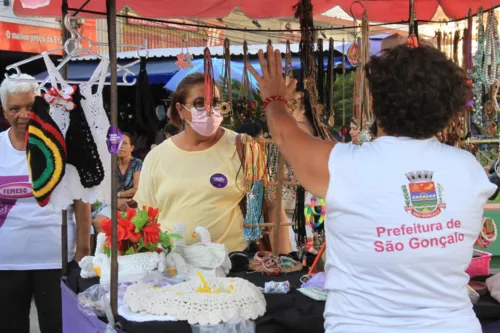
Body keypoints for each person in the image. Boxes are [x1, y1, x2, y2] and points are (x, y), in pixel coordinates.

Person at [249, 44, 495, 333]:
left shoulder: (342, 165)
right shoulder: (469, 168)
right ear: (449, 106)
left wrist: (274, 98)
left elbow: (283, 132)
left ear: (376, 101)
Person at [135, 72, 290, 253]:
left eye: (215, 102)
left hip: (232, 266)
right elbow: (145, 218)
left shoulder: (245, 148)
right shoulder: (157, 156)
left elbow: (273, 208)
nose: (209, 110)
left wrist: (283, 262)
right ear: (180, 109)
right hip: (172, 267)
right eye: (199, 103)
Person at [0, 75, 91, 333]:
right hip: (6, 262)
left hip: (56, 259)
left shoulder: (59, 143)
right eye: (15, 108)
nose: (23, 115)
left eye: (30, 106)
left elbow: (81, 198)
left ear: (41, 105)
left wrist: (83, 248)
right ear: (4, 111)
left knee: (59, 327)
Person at [92, 132, 142, 232]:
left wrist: (118, 195)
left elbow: (136, 189)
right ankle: (108, 246)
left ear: (132, 148)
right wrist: (115, 200)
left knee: (134, 224)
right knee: (98, 221)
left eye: (124, 143)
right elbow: (105, 189)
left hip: (131, 204)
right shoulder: (111, 165)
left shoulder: (137, 163)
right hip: (114, 203)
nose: (120, 146)